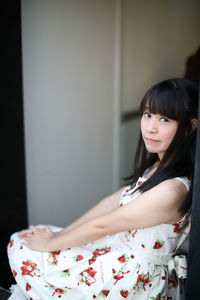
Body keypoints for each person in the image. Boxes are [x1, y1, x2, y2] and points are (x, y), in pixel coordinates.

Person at [7, 78, 198, 300]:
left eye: (164, 119)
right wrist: (61, 234)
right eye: (147, 114)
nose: (150, 127)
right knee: (27, 238)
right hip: (116, 253)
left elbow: (102, 225)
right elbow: (110, 203)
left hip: (130, 278)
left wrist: (51, 243)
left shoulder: (173, 189)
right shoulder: (158, 165)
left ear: (189, 127)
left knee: (23, 248)